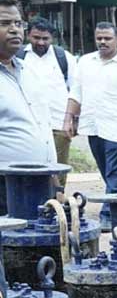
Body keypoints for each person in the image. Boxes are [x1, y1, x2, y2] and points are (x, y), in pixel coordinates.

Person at [64, 21, 117, 227]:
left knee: (113, 175)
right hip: (92, 127)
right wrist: (69, 119)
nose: (102, 42)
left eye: (107, 38)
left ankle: (109, 216)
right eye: (99, 38)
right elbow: (76, 93)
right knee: (108, 174)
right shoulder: (85, 62)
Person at [0, 0, 55, 165]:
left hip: (39, 179)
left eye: (18, 23)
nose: (14, 29)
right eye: (4, 23)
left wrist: (53, 179)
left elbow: (43, 125)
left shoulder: (28, 71)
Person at [20, 17, 75, 179]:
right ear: (28, 35)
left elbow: (76, 91)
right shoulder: (18, 57)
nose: (41, 42)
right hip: (29, 125)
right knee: (30, 169)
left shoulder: (64, 58)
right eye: (36, 38)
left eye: (45, 38)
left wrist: (73, 120)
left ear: (52, 38)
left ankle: (57, 202)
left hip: (58, 124)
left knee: (58, 170)